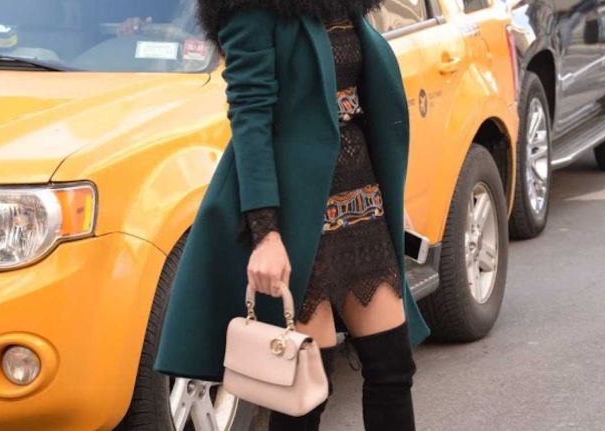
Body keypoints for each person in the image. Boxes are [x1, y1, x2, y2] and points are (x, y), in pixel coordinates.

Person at [154, 0, 431, 430]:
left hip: (363, 206)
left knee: (393, 370)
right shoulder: (250, 8)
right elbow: (250, 118)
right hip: (299, 220)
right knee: (302, 394)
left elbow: (363, 103)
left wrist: (394, 203)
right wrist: (266, 235)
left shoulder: (345, 4)